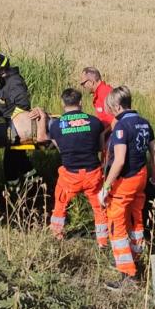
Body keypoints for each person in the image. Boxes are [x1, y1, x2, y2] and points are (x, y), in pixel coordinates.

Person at [99, 86, 155, 290]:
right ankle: (135, 257)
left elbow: (119, 161)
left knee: (116, 226)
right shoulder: (144, 122)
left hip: (125, 181)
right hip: (141, 177)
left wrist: (106, 188)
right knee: (136, 219)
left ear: (117, 106)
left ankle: (128, 274)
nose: (107, 109)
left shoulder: (121, 127)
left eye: (109, 106)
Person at [46, 88, 108, 246]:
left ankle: (56, 236)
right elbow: (102, 148)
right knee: (99, 207)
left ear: (62, 103)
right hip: (93, 173)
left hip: (70, 175)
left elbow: (60, 148)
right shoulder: (95, 122)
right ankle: (103, 241)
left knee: (60, 205)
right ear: (80, 102)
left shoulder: (56, 125)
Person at [0, 53, 37, 186]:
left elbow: (23, 105)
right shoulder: (4, 80)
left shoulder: (15, 82)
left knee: (9, 163)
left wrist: (12, 125)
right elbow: (3, 97)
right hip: (8, 127)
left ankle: (13, 189)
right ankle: (35, 184)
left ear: (2, 70)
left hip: (13, 129)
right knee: (20, 159)